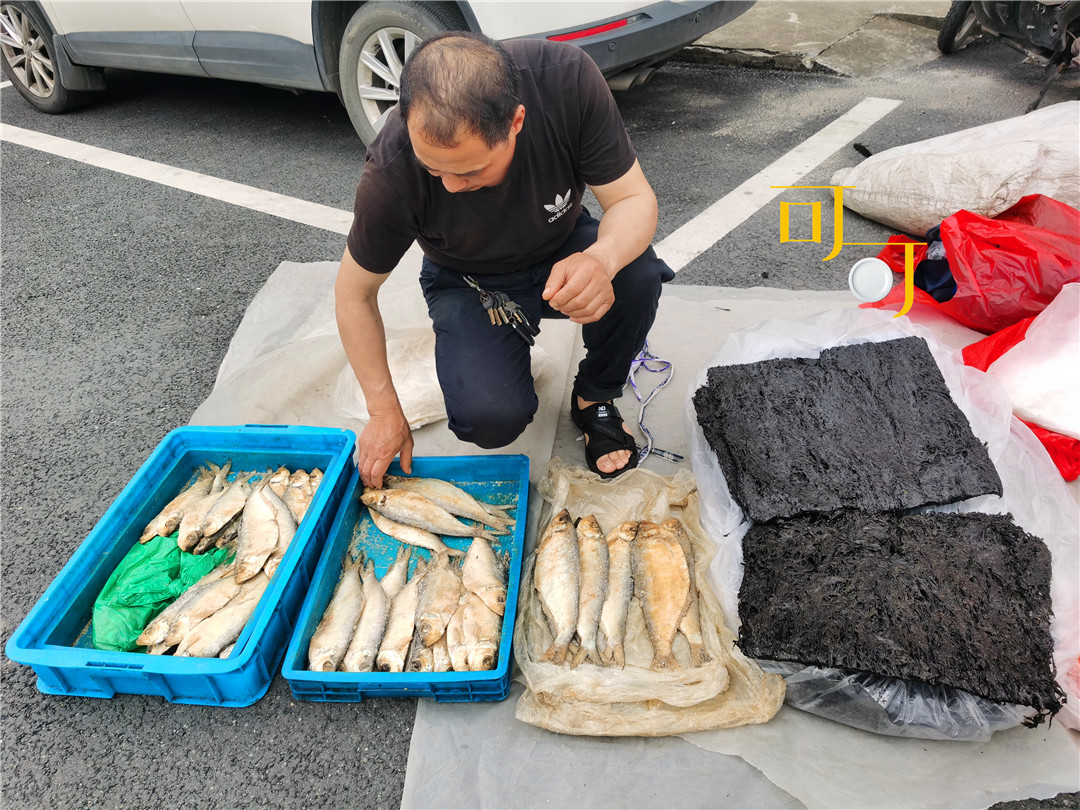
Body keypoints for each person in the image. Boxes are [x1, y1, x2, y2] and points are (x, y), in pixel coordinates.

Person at [335, 31, 674, 489]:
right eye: (435, 170)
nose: (451, 186)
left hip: (563, 243)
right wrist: (383, 412)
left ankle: (594, 396)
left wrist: (601, 260)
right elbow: (355, 294)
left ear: (517, 121)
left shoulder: (566, 80)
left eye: (470, 170)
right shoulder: (391, 171)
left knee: (637, 272)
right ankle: (497, 361)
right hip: (469, 278)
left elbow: (633, 198)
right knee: (488, 419)